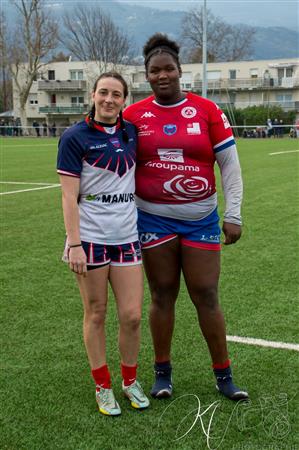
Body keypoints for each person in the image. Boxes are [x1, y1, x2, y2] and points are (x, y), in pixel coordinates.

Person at [124, 33, 248, 401]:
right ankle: (162, 374)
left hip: (201, 219)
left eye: (168, 69)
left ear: (180, 70)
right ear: (146, 76)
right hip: (153, 220)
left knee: (206, 294)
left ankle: (224, 376)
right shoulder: (134, 115)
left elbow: (229, 165)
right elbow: (118, 166)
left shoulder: (207, 110)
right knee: (162, 295)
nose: (162, 75)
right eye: (154, 71)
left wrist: (235, 213)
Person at [57, 72, 149, 416]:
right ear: (93, 95)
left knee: (132, 315)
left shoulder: (131, 132)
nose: (109, 99)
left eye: (117, 94)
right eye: (104, 93)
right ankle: (102, 385)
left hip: (127, 236)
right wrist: (75, 244)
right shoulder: (74, 137)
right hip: (91, 238)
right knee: (96, 313)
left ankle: (129, 380)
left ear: (125, 99)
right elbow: (68, 197)